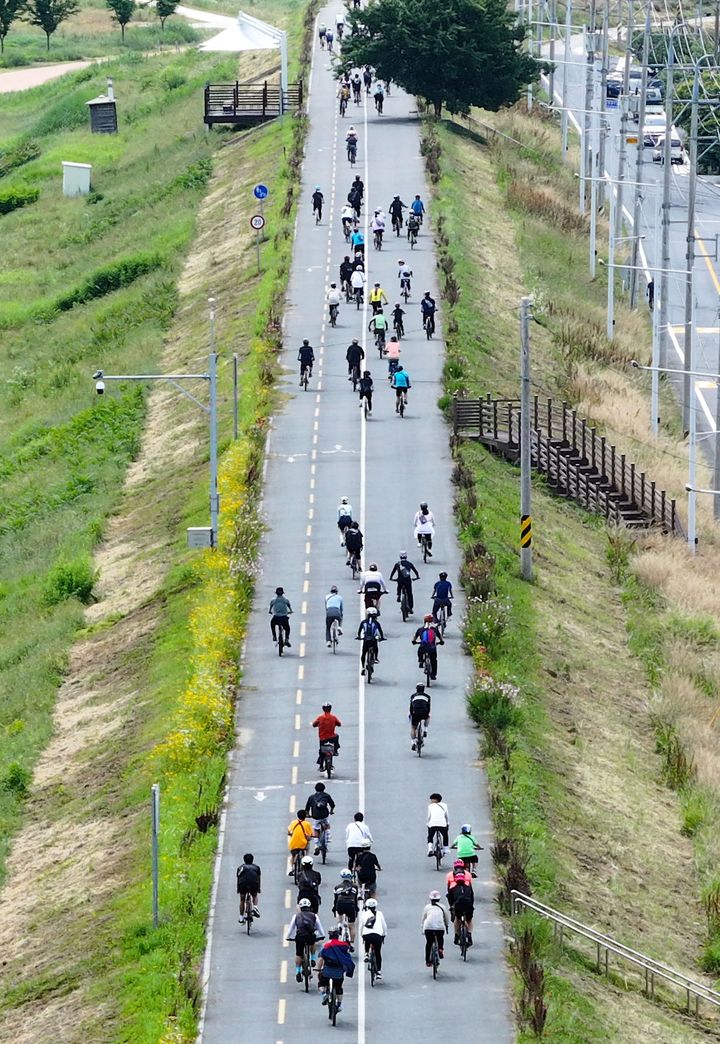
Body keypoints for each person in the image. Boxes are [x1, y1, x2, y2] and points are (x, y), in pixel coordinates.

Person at [316, 926, 355, 1011]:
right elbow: (347, 957)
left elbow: (321, 959)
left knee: (321, 983)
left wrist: (318, 969)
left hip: (327, 972)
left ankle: (324, 995)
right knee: (339, 988)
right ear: (338, 935)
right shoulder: (344, 945)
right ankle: (339, 1005)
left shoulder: (326, 945)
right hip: (339, 973)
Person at [287, 899, 325, 982]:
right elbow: (320, 928)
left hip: (300, 937)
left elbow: (291, 928)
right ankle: (312, 958)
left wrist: (288, 937)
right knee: (313, 941)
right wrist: (322, 935)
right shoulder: (314, 915)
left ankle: (298, 971)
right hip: (310, 936)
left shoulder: (296, 916)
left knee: (298, 954)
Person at [359, 898, 387, 979]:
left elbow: (361, 926)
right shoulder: (380, 914)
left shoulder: (364, 914)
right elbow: (384, 926)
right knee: (378, 953)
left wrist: (362, 935)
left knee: (367, 939)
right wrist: (384, 934)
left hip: (366, 935)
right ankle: (378, 972)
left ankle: (366, 953)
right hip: (378, 935)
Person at [447, 866, 475, 947]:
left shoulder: (453, 888)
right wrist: (471, 905)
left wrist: (452, 906)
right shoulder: (468, 888)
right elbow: (472, 897)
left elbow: (450, 899)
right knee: (469, 919)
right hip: (468, 905)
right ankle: (469, 933)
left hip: (458, 906)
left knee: (457, 918)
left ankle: (456, 935)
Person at [412, 613, 444, 680]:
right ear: (432, 621)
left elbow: (414, 639)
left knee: (420, 651)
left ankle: (420, 661)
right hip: (432, 648)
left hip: (423, 647)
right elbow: (440, 638)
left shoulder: (420, 629)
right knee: (434, 661)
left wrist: (414, 641)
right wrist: (441, 642)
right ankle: (433, 675)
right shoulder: (434, 629)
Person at [421, 890, 449, 967]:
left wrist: (422, 928)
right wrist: (446, 925)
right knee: (440, 938)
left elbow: (423, 918)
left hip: (428, 927)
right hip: (440, 927)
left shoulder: (427, 907)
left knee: (429, 943)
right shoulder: (443, 907)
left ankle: (427, 961)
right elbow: (446, 918)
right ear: (439, 899)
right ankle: (440, 948)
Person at [332, 870, 359, 946]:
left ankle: (339, 925)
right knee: (352, 925)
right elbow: (355, 899)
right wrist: (356, 910)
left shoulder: (337, 887)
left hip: (340, 905)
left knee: (339, 914)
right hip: (351, 906)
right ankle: (352, 943)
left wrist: (334, 909)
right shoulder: (355, 887)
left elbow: (335, 900)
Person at [306, 781, 335, 847]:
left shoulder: (311, 797)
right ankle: (328, 836)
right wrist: (331, 811)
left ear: (315, 789)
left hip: (315, 816)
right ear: (324, 788)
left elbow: (307, 808)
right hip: (325, 815)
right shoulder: (326, 795)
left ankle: (316, 845)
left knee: (316, 828)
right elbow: (332, 805)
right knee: (327, 825)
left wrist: (308, 815)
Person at [356, 606, 384, 674]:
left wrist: (359, 636)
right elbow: (380, 631)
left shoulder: (363, 622)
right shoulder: (376, 623)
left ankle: (363, 668)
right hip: (373, 640)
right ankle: (376, 658)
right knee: (376, 647)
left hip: (366, 640)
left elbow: (359, 631)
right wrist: (382, 638)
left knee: (363, 653)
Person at [236, 853, 261, 922]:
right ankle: (255, 907)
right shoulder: (256, 867)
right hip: (254, 884)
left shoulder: (240, 867)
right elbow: (258, 878)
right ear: (252, 860)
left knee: (242, 900)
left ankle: (241, 917)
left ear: (244, 860)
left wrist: (238, 889)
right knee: (255, 895)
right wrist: (258, 888)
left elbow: (239, 878)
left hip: (243, 885)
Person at [427, 791, 449, 856]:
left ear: (435, 800)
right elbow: (447, 815)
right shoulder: (445, 805)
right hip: (442, 824)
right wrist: (447, 823)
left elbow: (429, 816)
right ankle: (446, 849)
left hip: (432, 824)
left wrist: (427, 823)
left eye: (432, 799)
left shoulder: (430, 806)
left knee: (430, 836)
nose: (431, 800)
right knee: (445, 836)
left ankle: (430, 848)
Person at [409, 684, 431, 750]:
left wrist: (411, 714)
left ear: (416, 689)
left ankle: (413, 743)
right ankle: (425, 730)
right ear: (424, 689)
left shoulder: (413, 696)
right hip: (424, 712)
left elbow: (411, 707)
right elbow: (428, 707)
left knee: (413, 727)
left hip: (415, 713)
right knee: (428, 717)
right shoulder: (427, 696)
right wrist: (427, 713)